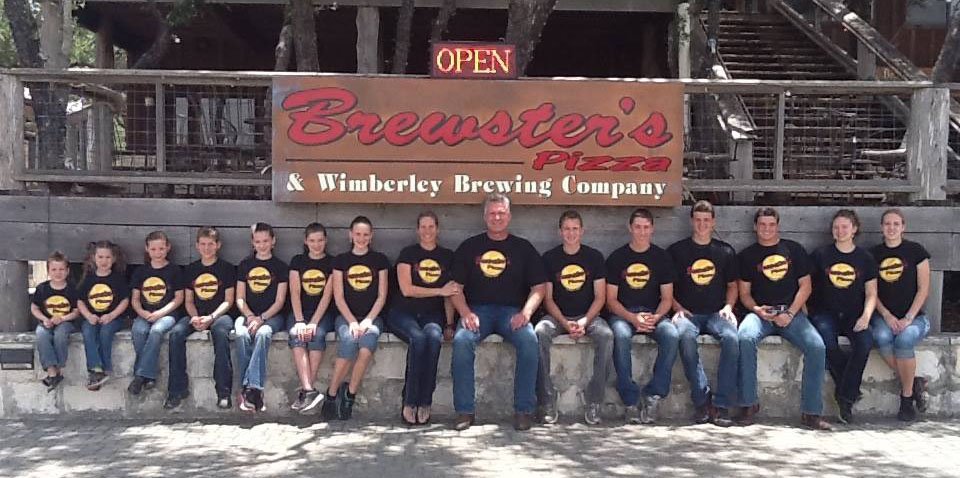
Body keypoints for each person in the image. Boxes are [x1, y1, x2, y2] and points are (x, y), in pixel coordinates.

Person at [450, 193, 547, 431]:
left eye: (501, 213)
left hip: (511, 312)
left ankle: (523, 410)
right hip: (477, 312)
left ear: (509, 216)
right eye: (492, 213)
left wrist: (525, 313)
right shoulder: (470, 246)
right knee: (462, 340)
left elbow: (539, 287)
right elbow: (455, 289)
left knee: (529, 340)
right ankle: (465, 411)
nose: (496, 217)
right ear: (485, 217)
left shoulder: (523, 248)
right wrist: (465, 313)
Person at [737, 207, 831, 430]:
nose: (766, 229)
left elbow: (805, 286)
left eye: (771, 224)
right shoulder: (747, 256)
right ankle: (748, 404)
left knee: (817, 346)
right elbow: (744, 294)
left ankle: (811, 412)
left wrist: (790, 312)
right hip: (761, 314)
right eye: (762, 224)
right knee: (744, 337)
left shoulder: (794, 250)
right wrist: (758, 310)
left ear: (777, 226)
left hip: (791, 312)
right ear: (755, 227)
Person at [536, 210, 612, 426]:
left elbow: (600, 297)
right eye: (567, 229)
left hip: (588, 317)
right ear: (560, 232)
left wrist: (583, 322)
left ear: (582, 231)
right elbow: (548, 299)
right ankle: (547, 400)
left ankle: (594, 399)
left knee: (606, 335)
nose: (571, 233)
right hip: (557, 317)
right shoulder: (550, 258)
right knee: (540, 332)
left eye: (575, 229)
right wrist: (564, 322)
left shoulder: (594, 257)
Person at [667, 200, 739, 426]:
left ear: (713, 222)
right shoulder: (677, 251)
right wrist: (677, 308)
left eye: (706, 220)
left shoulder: (725, 251)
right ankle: (702, 401)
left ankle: (721, 404)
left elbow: (732, 285)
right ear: (691, 221)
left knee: (731, 338)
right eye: (698, 220)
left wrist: (728, 307)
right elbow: (666, 288)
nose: (702, 224)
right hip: (687, 313)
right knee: (685, 337)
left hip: (717, 313)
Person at [606, 208, 678, 425]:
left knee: (672, 335)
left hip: (653, 314)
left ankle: (654, 394)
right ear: (630, 228)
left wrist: (655, 318)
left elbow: (667, 298)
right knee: (619, 335)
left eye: (646, 227)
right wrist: (632, 318)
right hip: (624, 314)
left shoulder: (661, 258)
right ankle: (630, 400)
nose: (642, 232)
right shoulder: (618, 258)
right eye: (638, 227)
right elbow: (611, 300)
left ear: (652, 229)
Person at [810, 209, 878, 424]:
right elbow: (806, 285)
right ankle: (849, 394)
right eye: (836, 227)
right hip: (825, 313)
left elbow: (871, 293)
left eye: (845, 227)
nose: (840, 231)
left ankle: (844, 395)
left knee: (865, 342)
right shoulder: (821, 255)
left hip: (854, 313)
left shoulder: (865, 258)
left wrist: (866, 316)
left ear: (854, 229)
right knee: (827, 344)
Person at [390, 211, 457, 425]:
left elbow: (450, 294)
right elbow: (407, 289)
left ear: (437, 229)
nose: (427, 231)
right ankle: (409, 401)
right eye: (423, 227)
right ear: (417, 230)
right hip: (403, 312)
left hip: (432, 314)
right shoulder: (408, 254)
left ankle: (425, 401)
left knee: (433, 338)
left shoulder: (447, 256)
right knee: (418, 339)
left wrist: (448, 323)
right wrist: (439, 291)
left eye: (431, 227)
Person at [322, 216, 390, 421]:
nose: (361, 238)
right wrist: (352, 321)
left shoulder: (380, 260)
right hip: (345, 316)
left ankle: (350, 393)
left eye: (365, 234)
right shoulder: (340, 261)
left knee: (367, 344)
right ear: (350, 235)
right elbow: (338, 296)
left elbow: (381, 296)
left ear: (371, 236)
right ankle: (332, 393)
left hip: (372, 316)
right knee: (349, 340)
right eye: (357, 234)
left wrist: (368, 320)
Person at [869, 208, 932, 422]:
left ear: (903, 227)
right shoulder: (873, 254)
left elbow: (924, 288)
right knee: (881, 337)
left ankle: (906, 399)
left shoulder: (916, 252)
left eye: (896, 224)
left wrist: (908, 318)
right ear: (881, 227)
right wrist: (886, 315)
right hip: (884, 316)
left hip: (915, 317)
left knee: (904, 340)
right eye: (887, 224)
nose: (892, 228)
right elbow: (871, 291)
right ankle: (914, 382)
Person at [167, 227, 236, 410]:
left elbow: (229, 301)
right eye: (203, 244)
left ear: (218, 245)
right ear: (197, 246)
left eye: (211, 244)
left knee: (220, 334)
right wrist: (195, 317)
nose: (207, 248)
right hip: (195, 314)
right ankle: (176, 390)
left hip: (221, 315)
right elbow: (189, 300)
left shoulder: (227, 269)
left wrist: (212, 317)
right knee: (176, 334)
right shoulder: (191, 270)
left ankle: (223, 392)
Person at [235, 222, 289, 412]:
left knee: (263, 334)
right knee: (241, 335)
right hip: (247, 315)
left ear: (273, 241)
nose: (262, 245)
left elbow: (280, 301)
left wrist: (261, 318)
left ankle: (249, 389)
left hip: (272, 316)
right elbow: (239, 298)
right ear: (253, 243)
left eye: (266, 240)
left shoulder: (280, 267)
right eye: (258, 241)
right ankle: (253, 390)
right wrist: (250, 316)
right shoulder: (245, 265)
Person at [287, 223, 336, 414]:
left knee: (317, 335)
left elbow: (327, 295)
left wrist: (314, 323)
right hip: (300, 312)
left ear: (326, 241)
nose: (316, 245)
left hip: (323, 313)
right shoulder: (297, 261)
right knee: (296, 335)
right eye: (312, 241)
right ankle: (309, 389)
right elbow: (295, 292)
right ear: (305, 241)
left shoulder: (332, 263)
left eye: (320, 240)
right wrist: (300, 321)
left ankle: (307, 393)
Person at [128, 231, 184, 396]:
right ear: (147, 249)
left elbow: (178, 298)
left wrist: (160, 313)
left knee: (157, 331)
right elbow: (135, 299)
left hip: (168, 314)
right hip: (145, 313)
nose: (158, 253)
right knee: (138, 331)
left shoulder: (174, 270)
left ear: (168, 248)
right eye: (153, 249)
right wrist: (141, 312)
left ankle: (140, 375)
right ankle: (148, 375)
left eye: (161, 248)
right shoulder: (140, 272)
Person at [77, 241, 129, 391]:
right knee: (88, 331)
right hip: (92, 317)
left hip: (113, 318)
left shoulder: (117, 278)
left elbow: (125, 300)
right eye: (100, 257)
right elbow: (80, 300)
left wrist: (112, 315)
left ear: (113, 259)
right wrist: (88, 315)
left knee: (106, 332)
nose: (104, 261)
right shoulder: (89, 278)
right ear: (94, 258)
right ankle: (95, 369)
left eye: (107, 257)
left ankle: (105, 368)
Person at [32, 251, 80, 392]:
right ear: (48, 271)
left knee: (60, 334)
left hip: (67, 322)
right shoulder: (42, 288)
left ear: (67, 271)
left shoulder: (72, 289)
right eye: (54, 269)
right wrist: (44, 319)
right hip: (47, 321)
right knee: (41, 333)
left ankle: (59, 367)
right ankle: (51, 371)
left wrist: (62, 318)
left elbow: (77, 311)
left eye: (61, 269)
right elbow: (34, 307)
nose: (58, 273)